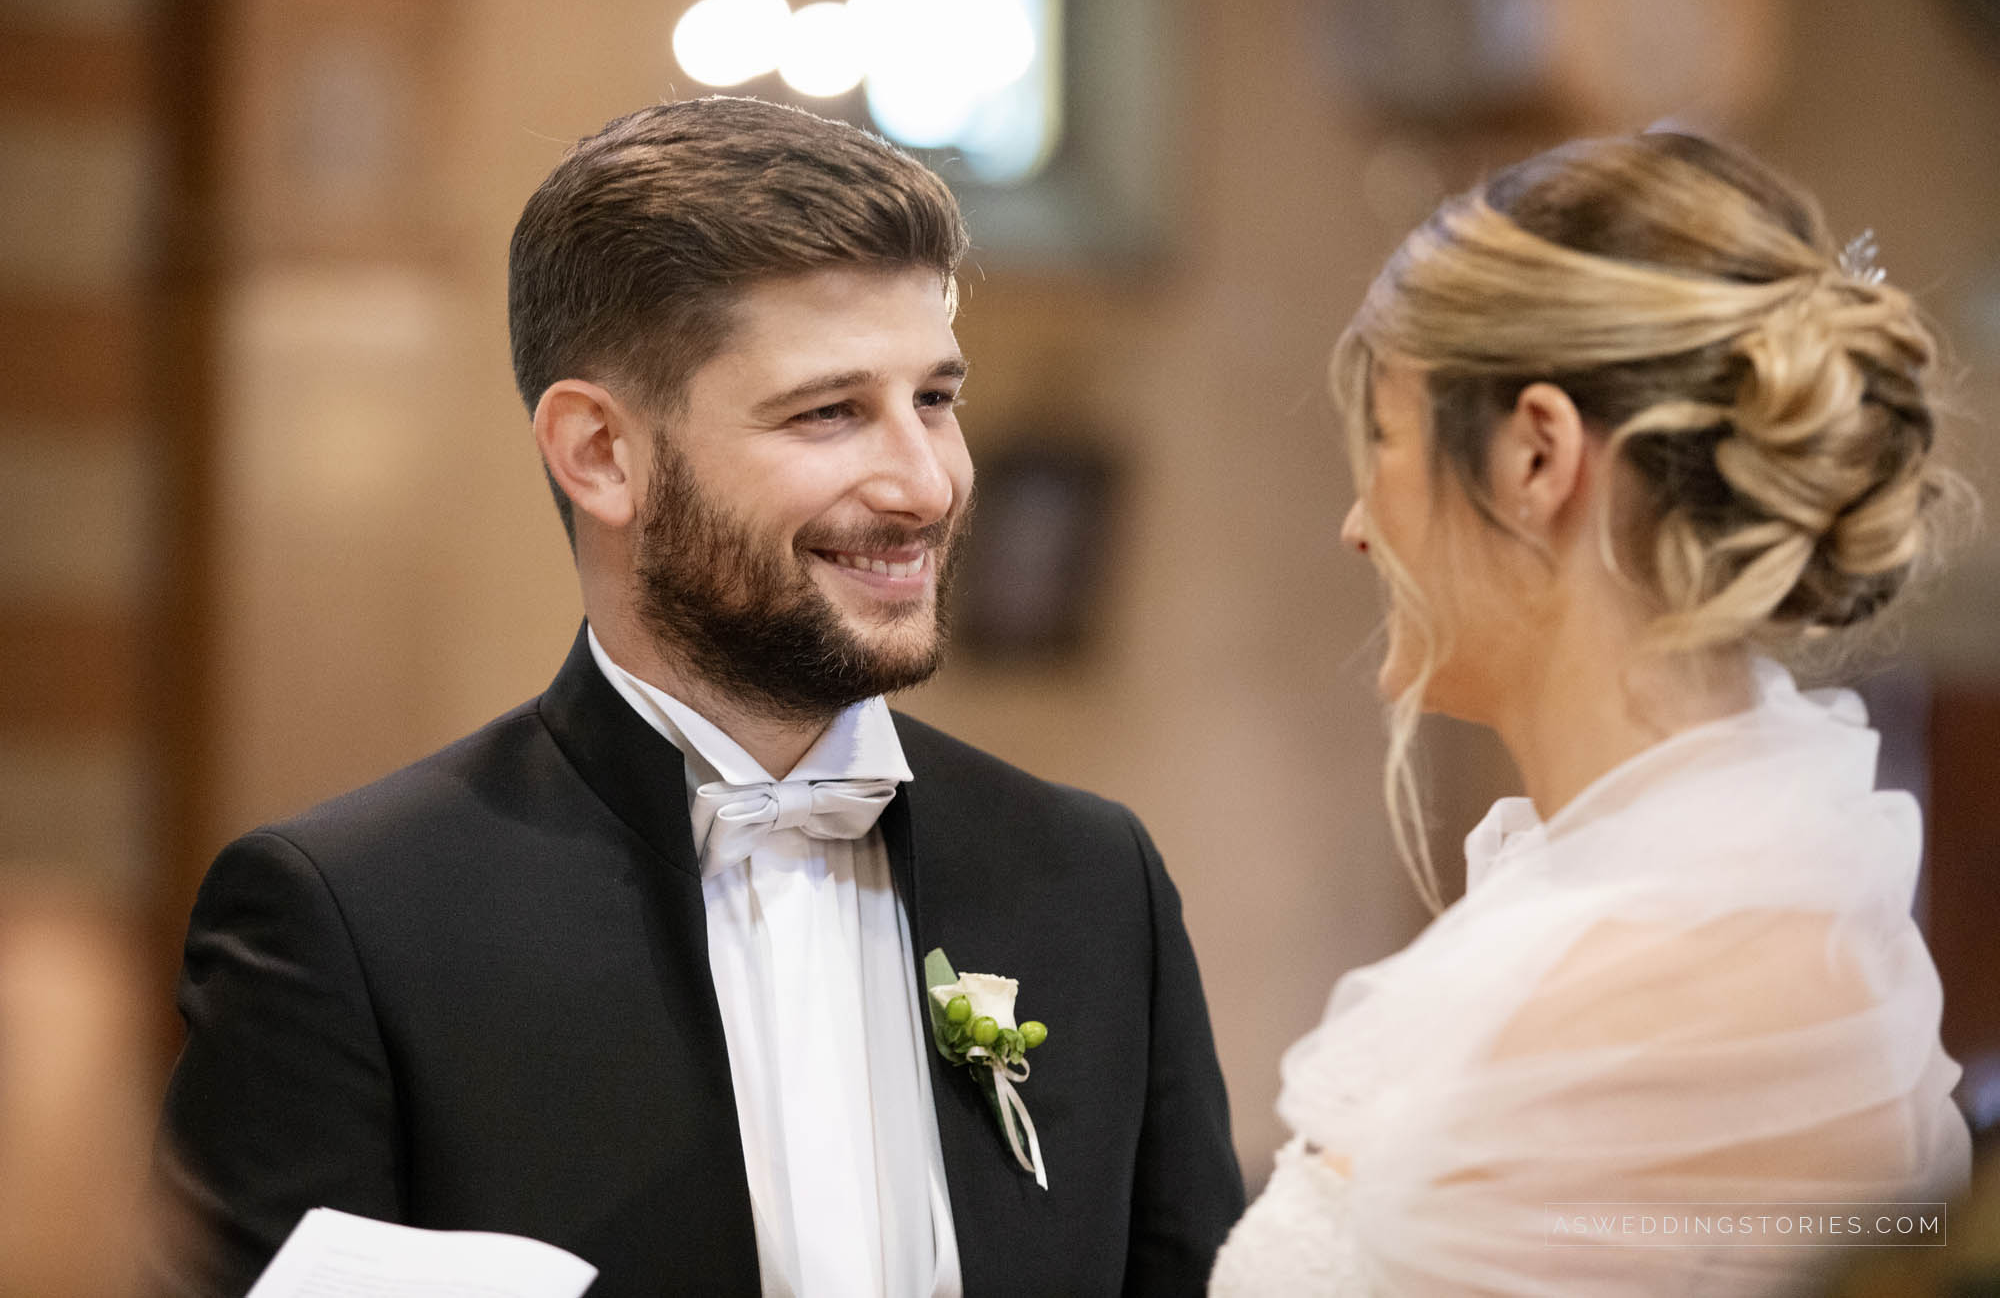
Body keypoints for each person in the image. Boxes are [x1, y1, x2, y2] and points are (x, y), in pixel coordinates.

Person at [153, 96, 1243, 1298]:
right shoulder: (356, 922)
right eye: (831, 411)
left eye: (935, 399)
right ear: (600, 454)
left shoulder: (1091, 882)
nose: (925, 483)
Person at [1209, 131, 1973, 1294]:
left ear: (1533, 454)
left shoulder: (1597, 1021)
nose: (1358, 524)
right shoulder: (1811, 905)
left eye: (1384, 444)